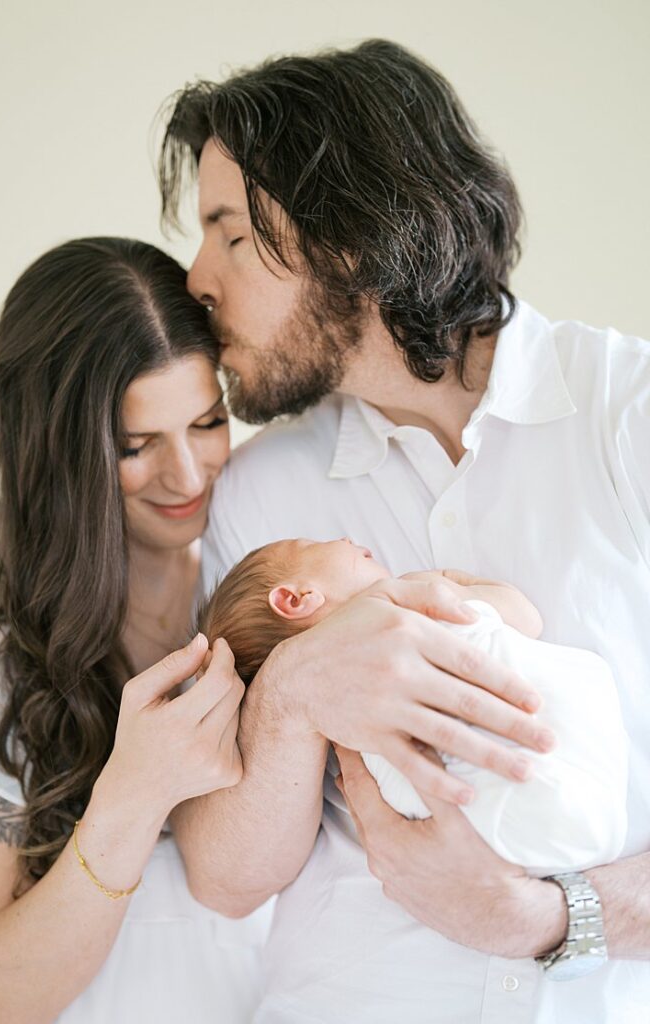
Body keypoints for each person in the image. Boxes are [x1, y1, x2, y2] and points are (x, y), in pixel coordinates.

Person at [159, 38, 650, 1022]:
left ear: (349, 232)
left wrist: (548, 917)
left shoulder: (626, 417)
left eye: (230, 234)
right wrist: (292, 693)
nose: (196, 279)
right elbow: (223, 877)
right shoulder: (261, 497)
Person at [0, 237, 269, 1024]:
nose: (188, 476)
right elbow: (7, 993)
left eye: (207, 422)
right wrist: (137, 790)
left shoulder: (257, 579)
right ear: (58, 452)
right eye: (135, 446)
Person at [196, 537, 628, 876]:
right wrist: (449, 582)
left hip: (507, 831)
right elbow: (524, 618)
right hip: (568, 766)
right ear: (295, 599)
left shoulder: (342, 734)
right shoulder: (417, 606)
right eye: (311, 545)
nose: (345, 539)